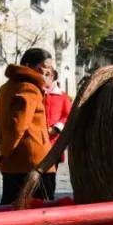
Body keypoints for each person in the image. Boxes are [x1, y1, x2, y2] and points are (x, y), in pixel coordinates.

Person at [0, 48, 68, 225]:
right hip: (36, 163)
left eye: (49, 70)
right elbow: (17, 125)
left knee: (7, 210)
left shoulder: (6, 87)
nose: (46, 74)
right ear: (31, 66)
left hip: (15, 163)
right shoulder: (29, 88)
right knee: (45, 211)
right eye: (43, 69)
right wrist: (5, 148)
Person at [42, 67, 72, 205]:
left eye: (47, 74)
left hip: (53, 143)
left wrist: (56, 128)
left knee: (49, 177)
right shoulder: (36, 93)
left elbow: (67, 115)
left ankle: (48, 203)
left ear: (53, 76)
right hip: (37, 142)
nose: (43, 76)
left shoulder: (62, 96)